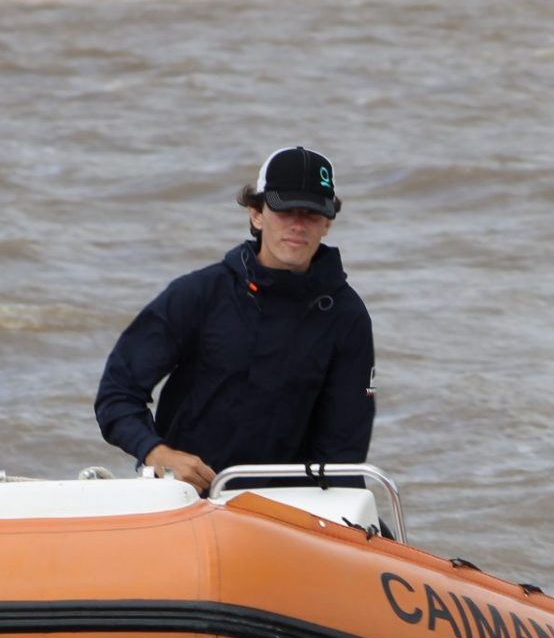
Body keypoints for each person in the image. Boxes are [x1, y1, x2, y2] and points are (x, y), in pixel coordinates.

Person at [94, 146, 375, 492]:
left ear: (327, 223)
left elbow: (343, 451)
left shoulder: (347, 316)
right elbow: (117, 393)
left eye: (312, 214)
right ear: (256, 214)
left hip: (288, 508)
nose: (298, 225)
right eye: (285, 210)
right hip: (186, 496)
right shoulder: (198, 294)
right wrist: (157, 453)